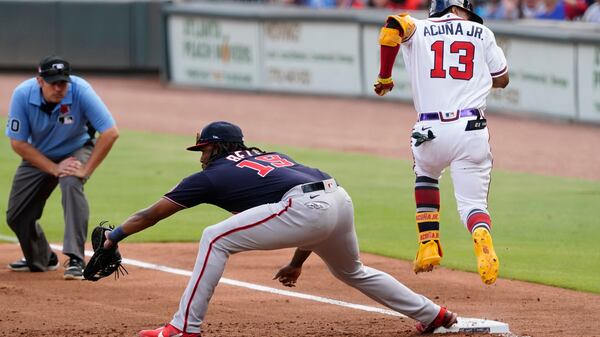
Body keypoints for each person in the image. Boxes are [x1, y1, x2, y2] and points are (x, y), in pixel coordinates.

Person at [102, 121, 458, 337]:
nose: (201, 155)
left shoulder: (212, 174)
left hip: (306, 207)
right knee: (352, 270)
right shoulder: (273, 156)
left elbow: (152, 214)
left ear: (217, 148)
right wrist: (299, 261)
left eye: (204, 147)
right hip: (339, 198)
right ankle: (433, 315)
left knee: (214, 237)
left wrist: (113, 236)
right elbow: (313, 211)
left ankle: (183, 328)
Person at [373, 0, 509, 285]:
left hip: (429, 129)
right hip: (471, 128)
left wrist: (385, 76)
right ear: (461, 8)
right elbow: (502, 79)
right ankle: (480, 233)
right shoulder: (481, 33)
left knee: (426, 175)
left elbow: (390, 29)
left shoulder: (419, 27)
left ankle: (428, 244)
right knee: (472, 205)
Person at [5, 55, 119, 280]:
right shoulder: (22, 94)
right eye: (53, 82)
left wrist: (85, 170)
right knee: (17, 216)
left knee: (70, 181)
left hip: (75, 150)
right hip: (39, 155)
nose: (59, 88)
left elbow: (110, 132)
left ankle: (76, 258)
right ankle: (43, 257)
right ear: (40, 81)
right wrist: (53, 167)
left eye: (63, 82)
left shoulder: (80, 90)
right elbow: (17, 142)